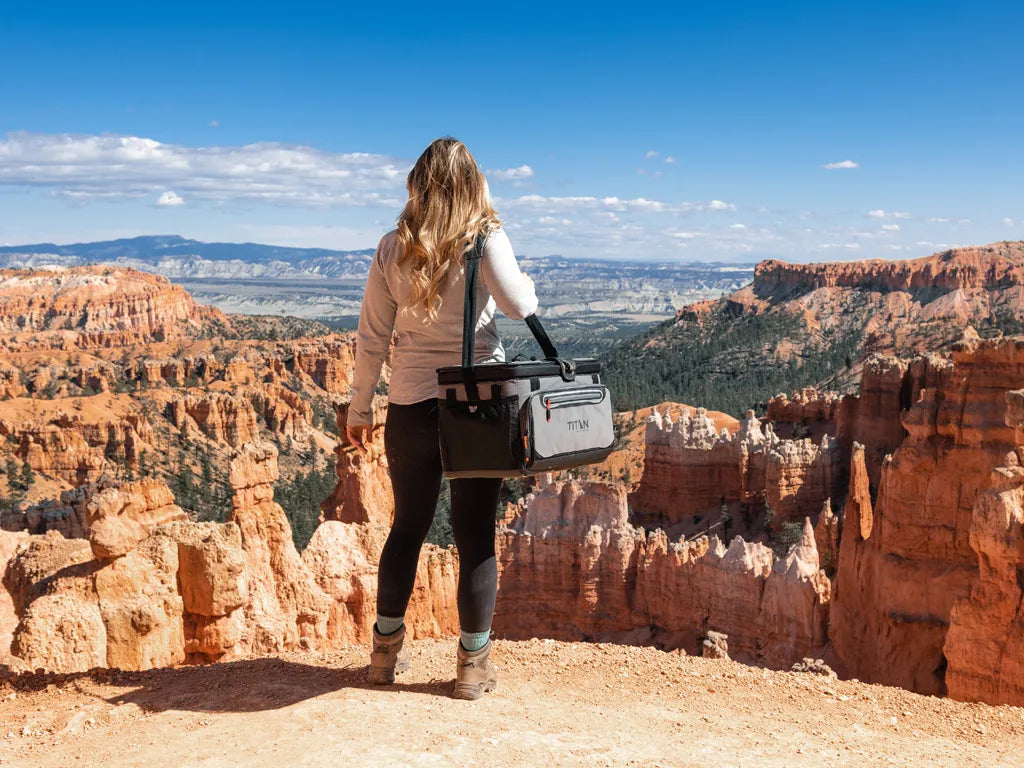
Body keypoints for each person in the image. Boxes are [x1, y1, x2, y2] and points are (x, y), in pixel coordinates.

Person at [345, 137, 538, 700]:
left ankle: (384, 658)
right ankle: (472, 666)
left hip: (409, 405)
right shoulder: (485, 237)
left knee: (407, 527)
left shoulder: (390, 247)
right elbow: (519, 305)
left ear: (418, 185)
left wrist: (360, 407)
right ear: (473, 186)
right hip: (475, 407)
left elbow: (372, 337)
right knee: (475, 535)